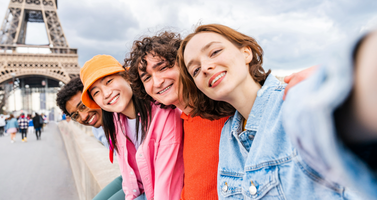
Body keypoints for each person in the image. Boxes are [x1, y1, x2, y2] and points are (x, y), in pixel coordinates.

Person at [177, 24, 360, 199]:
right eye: (195, 70)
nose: (206, 68)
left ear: (246, 53)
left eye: (215, 52)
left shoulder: (298, 102)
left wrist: (347, 78)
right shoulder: (228, 135)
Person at [124, 31, 311, 200]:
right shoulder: (176, 122)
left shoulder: (224, 109)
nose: (157, 81)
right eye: (147, 78)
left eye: (163, 67)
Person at [283, 30, 377, 200]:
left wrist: (328, 81)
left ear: (246, 53)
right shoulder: (226, 132)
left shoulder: (291, 100)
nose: (215, 63)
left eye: (217, 51)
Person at [80, 55, 184, 200]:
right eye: (96, 92)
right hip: (145, 188)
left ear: (127, 77)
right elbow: (129, 178)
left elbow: (167, 188)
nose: (106, 93)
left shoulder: (164, 114)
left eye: (109, 82)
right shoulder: (116, 120)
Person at [56, 77, 123, 199]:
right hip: (130, 176)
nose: (83, 116)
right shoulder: (97, 129)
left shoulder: (126, 117)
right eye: (75, 115)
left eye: (83, 106)